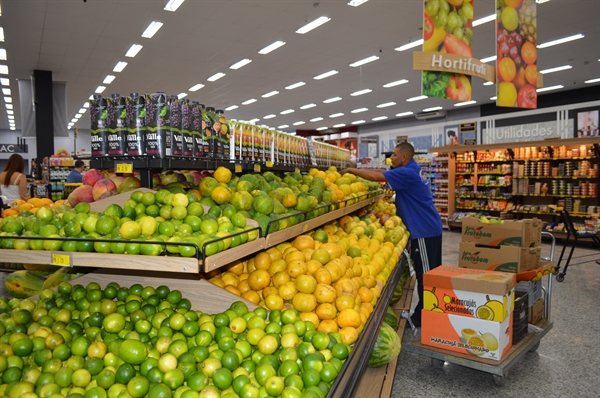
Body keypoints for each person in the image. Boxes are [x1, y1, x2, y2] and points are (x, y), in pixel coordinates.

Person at [341, 142, 442, 327]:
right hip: (429, 227)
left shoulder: (407, 173)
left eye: (394, 155)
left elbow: (377, 176)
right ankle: (430, 312)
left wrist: (350, 170)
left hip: (424, 231)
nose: (391, 158)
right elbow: (383, 171)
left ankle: (424, 317)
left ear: (404, 157)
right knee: (430, 273)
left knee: (426, 275)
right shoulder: (412, 168)